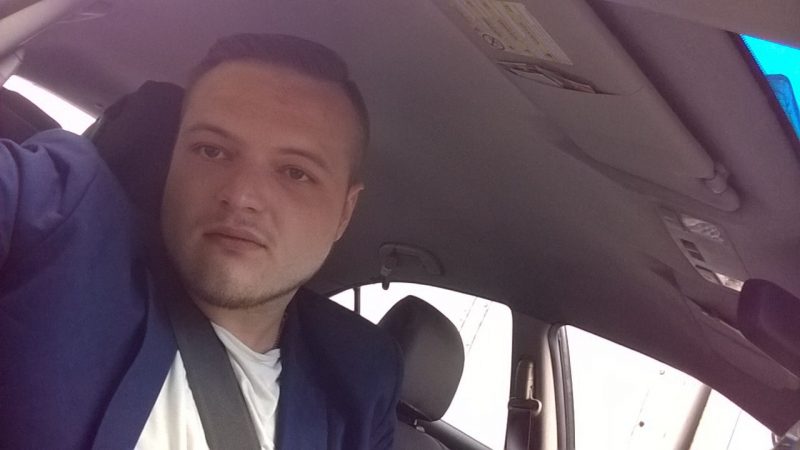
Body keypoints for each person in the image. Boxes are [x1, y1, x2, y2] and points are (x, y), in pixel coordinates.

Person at [0, 34, 402, 449]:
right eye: (212, 151)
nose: (241, 196)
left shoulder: (360, 378)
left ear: (344, 213)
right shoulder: (64, 217)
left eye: (295, 173)